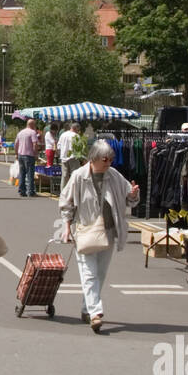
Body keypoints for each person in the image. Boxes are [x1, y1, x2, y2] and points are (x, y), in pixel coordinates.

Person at [58, 139, 140, 333]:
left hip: (108, 231)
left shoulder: (114, 175)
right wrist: (66, 226)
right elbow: (66, 202)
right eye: (105, 159)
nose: (109, 163)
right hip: (86, 231)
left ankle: (87, 309)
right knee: (89, 273)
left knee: (100, 274)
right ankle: (96, 312)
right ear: (93, 158)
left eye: (111, 159)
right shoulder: (79, 176)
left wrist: (134, 194)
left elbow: (131, 200)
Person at [15, 118, 40, 197]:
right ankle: (30, 191)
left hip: (20, 154)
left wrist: (16, 153)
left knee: (22, 173)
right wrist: (36, 154)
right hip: (29, 155)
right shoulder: (32, 132)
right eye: (34, 124)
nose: (35, 126)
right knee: (30, 173)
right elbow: (35, 144)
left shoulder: (21, 132)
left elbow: (16, 144)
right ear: (31, 125)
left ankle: (21, 190)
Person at [57, 122, 79, 191]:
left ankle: (63, 192)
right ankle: (73, 191)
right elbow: (78, 148)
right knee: (74, 175)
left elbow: (59, 146)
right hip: (73, 157)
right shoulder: (76, 136)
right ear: (76, 128)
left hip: (63, 157)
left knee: (64, 176)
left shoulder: (63, 134)